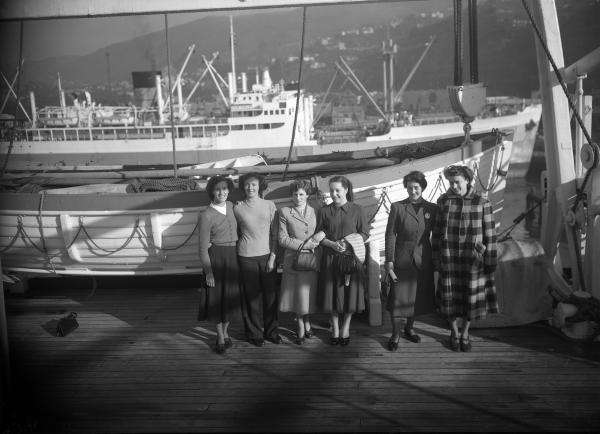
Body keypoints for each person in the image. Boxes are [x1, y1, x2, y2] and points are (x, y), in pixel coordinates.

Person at [432, 165, 498, 352]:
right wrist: (436, 258)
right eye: (451, 182)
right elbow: (436, 233)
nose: (454, 186)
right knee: (449, 297)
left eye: (457, 182)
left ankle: (465, 333)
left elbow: (491, 235)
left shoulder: (482, 203)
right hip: (449, 257)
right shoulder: (443, 201)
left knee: (471, 297)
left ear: (468, 180)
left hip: (473, 259)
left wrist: (490, 259)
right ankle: (453, 332)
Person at [384, 171, 438, 352]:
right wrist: (389, 260)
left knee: (416, 298)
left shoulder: (432, 208)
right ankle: (395, 334)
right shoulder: (398, 207)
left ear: (422, 188)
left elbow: (436, 235)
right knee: (398, 299)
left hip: (423, 259)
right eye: (409, 187)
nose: (412, 191)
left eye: (416, 187)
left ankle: (409, 328)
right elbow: (390, 234)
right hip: (402, 260)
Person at [315, 175, 369, 346]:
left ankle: (345, 328)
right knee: (332, 295)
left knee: (350, 295)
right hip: (330, 259)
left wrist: (347, 241)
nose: (334, 193)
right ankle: (335, 329)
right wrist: (331, 243)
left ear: (346, 190)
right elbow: (318, 237)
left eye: (337, 190)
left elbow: (365, 233)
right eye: (331, 190)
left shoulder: (357, 209)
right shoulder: (324, 211)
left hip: (350, 259)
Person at [233, 172, 281, 347]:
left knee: (270, 297)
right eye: (247, 185)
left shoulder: (270, 205)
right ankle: (254, 333)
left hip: (267, 256)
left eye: (253, 184)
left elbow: (276, 235)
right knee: (251, 298)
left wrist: (273, 257)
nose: (250, 188)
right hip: (246, 257)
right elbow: (233, 230)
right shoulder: (237, 207)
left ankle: (271, 332)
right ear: (243, 187)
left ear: (260, 186)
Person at [197, 175, 241, 355]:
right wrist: (208, 272)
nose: (221, 192)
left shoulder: (232, 206)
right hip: (216, 258)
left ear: (229, 190)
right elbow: (202, 248)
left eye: (224, 188)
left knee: (229, 297)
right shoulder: (206, 215)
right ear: (211, 192)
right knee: (217, 298)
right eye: (217, 189)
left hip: (233, 257)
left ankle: (225, 331)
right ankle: (220, 336)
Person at [278, 180, 321, 345]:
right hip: (294, 259)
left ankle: (308, 323)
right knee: (297, 296)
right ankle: (301, 328)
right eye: (295, 194)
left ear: (307, 195)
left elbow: (322, 231)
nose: (298, 197)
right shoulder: (284, 212)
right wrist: (303, 245)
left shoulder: (316, 210)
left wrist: (315, 243)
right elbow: (282, 238)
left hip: (311, 259)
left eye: (301, 194)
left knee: (308, 294)